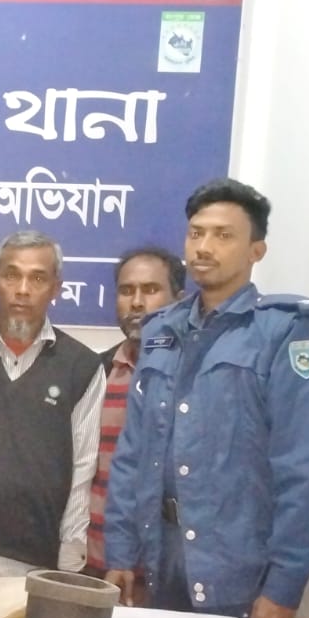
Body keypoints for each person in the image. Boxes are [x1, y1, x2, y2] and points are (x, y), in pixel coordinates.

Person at [103, 179, 309, 618]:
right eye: (196, 233)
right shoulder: (162, 331)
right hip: (162, 560)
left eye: (223, 235)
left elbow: (305, 468)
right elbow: (133, 454)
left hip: (238, 572)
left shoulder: (285, 332)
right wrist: (122, 552)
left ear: (256, 250)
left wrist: (285, 584)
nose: (204, 247)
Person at [0, 230, 105, 577]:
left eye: (38, 278)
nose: (23, 289)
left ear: (56, 289)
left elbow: (82, 466)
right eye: (12, 275)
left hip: (34, 559)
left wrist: (70, 558)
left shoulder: (82, 366)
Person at [87, 247, 186, 579]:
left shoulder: (195, 377)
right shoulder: (94, 371)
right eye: (127, 291)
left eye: (151, 289)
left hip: (166, 570)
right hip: (93, 563)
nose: (137, 302)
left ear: (180, 300)